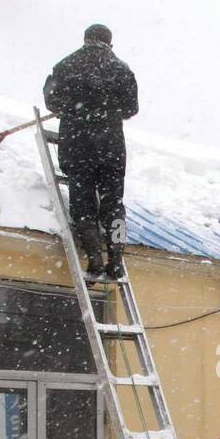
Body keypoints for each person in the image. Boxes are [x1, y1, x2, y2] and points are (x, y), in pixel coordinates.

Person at [43, 23, 139, 280]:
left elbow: (51, 99)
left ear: (85, 40)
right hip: (111, 146)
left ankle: (95, 259)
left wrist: (75, 106)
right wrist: (106, 108)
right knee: (113, 204)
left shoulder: (66, 66)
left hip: (78, 144)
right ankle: (116, 258)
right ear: (110, 43)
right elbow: (131, 109)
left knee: (83, 204)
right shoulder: (122, 70)